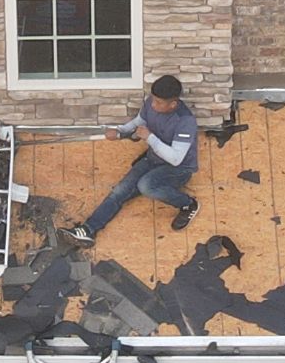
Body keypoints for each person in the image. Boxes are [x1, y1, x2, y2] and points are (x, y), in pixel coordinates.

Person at [67, 76, 198, 246]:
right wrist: (120, 132)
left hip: (179, 169)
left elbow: (175, 158)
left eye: (158, 103)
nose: (153, 105)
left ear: (172, 104)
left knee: (146, 185)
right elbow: (139, 122)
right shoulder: (152, 102)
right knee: (119, 192)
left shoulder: (185, 121)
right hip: (153, 158)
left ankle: (188, 204)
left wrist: (149, 137)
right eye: (153, 100)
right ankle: (88, 230)